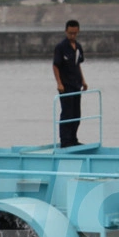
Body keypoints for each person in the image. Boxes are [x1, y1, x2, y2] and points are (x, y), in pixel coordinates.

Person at [52, 19, 87, 147]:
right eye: (70, 33)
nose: (72, 36)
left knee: (76, 114)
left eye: (75, 33)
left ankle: (73, 138)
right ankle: (65, 141)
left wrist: (83, 80)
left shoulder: (78, 47)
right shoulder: (61, 48)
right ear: (66, 31)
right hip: (65, 86)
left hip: (76, 84)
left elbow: (77, 65)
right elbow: (55, 66)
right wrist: (59, 83)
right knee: (67, 113)